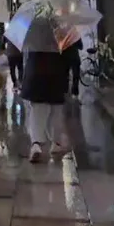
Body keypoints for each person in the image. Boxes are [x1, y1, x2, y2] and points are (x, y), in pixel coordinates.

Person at [20, 19, 70, 162]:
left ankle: (36, 144)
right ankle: (56, 143)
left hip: (35, 75)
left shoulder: (30, 34)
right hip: (55, 76)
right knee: (55, 112)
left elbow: (23, 52)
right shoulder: (59, 33)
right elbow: (70, 54)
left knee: (37, 112)